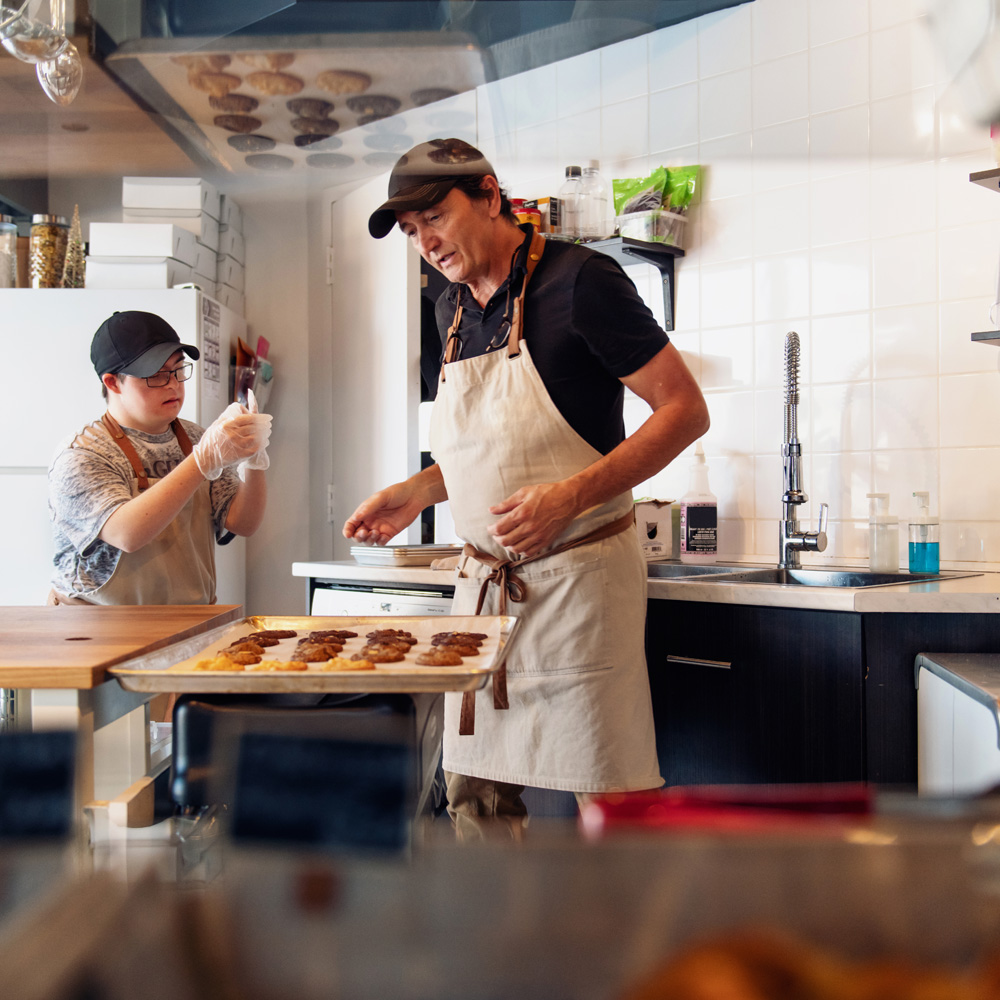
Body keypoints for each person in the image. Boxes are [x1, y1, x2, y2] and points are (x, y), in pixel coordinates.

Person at [344, 139, 710, 839]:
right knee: (474, 799)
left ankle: (623, 949)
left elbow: (685, 410)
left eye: (435, 219)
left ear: (488, 196)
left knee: (607, 803)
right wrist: (420, 491)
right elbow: (493, 450)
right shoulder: (448, 307)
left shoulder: (582, 283)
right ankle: (498, 945)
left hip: (579, 588)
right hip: (483, 591)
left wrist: (569, 497)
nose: (427, 244)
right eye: (413, 234)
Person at [48, 309, 272, 607]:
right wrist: (201, 463)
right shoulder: (83, 454)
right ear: (113, 382)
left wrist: (253, 459)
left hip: (187, 622)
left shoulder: (196, 438)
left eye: (178, 370)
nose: (173, 384)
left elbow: (243, 522)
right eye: (155, 375)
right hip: (99, 630)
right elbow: (127, 533)